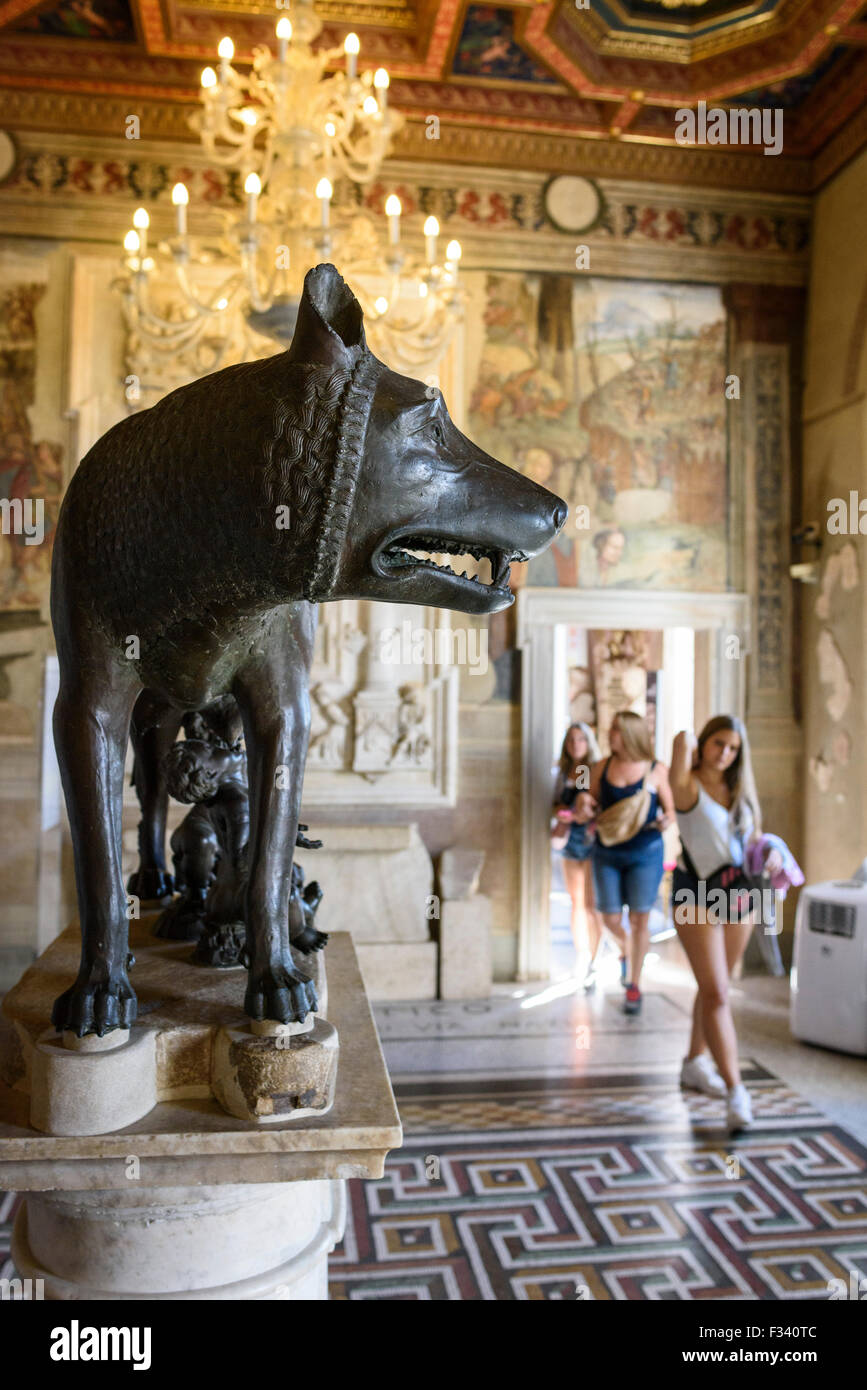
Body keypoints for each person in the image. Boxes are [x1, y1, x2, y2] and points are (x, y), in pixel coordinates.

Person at [670, 716, 783, 1133]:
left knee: (713, 986)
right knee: (717, 991)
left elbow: (753, 840)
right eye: (718, 743)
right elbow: (679, 745)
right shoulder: (686, 785)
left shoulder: (741, 792)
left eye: (733, 748)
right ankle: (737, 1091)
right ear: (704, 742)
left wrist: (770, 851)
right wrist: (689, 739)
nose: (725, 754)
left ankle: (694, 1063)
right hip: (693, 893)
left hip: (739, 891)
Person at [581, 711, 674, 1015]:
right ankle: (626, 951)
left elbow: (671, 812)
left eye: (617, 731)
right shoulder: (601, 767)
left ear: (631, 734)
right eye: (612, 730)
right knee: (608, 918)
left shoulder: (656, 770)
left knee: (640, 920)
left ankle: (634, 985)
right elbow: (589, 803)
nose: (611, 735)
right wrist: (584, 805)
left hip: (645, 853)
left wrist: (664, 820)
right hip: (607, 852)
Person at [552, 722, 603, 990]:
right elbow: (558, 804)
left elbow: (588, 804)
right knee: (577, 903)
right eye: (572, 739)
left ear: (589, 742)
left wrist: (577, 812)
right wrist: (564, 813)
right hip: (570, 839)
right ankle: (582, 954)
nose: (576, 744)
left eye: (581, 739)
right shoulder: (562, 772)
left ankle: (596, 958)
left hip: (591, 839)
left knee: (592, 905)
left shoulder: (593, 770)